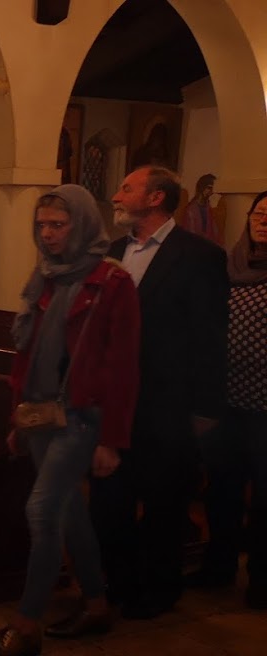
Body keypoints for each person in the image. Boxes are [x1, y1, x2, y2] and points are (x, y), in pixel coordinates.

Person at [0, 185, 140, 656]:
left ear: (82, 224)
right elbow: (26, 355)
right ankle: (96, 603)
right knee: (68, 510)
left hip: (82, 415)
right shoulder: (46, 275)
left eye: (58, 225)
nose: (47, 234)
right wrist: (19, 418)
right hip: (41, 412)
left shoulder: (112, 282)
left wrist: (112, 439)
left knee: (42, 510)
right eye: (42, 225)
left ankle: (27, 625)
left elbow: (123, 367)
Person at [90, 165, 230, 620]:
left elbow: (210, 337)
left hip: (169, 404)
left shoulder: (199, 256)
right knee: (110, 503)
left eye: (126, 188)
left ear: (155, 198)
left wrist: (205, 409)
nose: (116, 196)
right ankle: (120, 582)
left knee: (163, 505)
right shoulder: (112, 252)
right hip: (117, 404)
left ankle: (158, 590)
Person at [185, 191, 267, 609]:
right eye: (259, 213)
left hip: (265, 409)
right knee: (222, 491)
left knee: (265, 499)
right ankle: (218, 567)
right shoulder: (228, 266)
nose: (263, 220)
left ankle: (262, 579)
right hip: (225, 402)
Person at [179, 173, 223, 246]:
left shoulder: (208, 208)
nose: (212, 191)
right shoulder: (191, 210)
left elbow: (214, 232)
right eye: (209, 188)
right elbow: (191, 236)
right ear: (202, 187)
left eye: (213, 188)